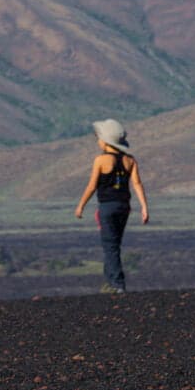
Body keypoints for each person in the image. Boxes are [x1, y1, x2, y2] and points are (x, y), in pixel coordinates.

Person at [75, 119, 149, 294]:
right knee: (115, 244)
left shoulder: (100, 160)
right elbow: (137, 184)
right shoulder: (130, 160)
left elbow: (92, 186)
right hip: (124, 206)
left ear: (105, 141)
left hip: (107, 207)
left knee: (110, 245)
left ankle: (117, 285)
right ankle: (110, 282)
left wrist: (81, 206)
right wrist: (144, 207)